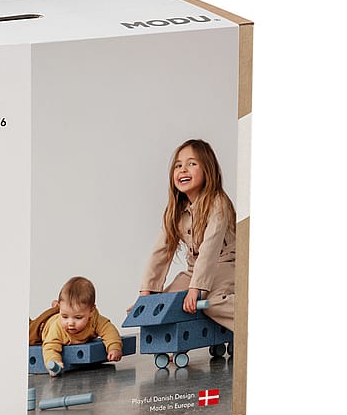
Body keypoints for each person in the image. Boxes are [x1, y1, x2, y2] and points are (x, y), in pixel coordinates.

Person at [138, 138, 236, 328]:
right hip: (194, 270)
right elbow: (161, 251)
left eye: (191, 164)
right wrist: (146, 293)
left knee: (211, 303)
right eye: (178, 166)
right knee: (165, 305)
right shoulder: (176, 210)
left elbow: (209, 249)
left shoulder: (218, 203)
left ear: (207, 170)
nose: (183, 170)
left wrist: (196, 288)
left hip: (227, 264)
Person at [29, 276, 123, 376]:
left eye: (78, 317)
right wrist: (54, 362)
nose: (70, 323)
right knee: (28, 333)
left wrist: (114, 347)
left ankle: (57, 307)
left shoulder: (95, 319)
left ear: (91, 311)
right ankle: (55, 308)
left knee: (66, 311)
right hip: (43, 326)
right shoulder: (57, 328)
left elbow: (109, 330)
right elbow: (50, 347)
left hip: (60, 311)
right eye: (65, 317)